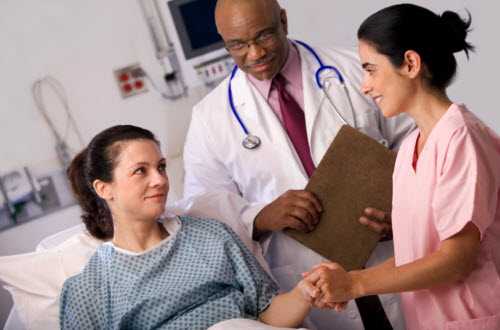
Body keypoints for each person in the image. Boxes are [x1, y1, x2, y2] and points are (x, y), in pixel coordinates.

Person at [177, 0, 414, 329]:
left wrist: (405, 208)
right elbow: (204, 215)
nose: (255, 53)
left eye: (264, 36)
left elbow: (416, 139)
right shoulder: (210, 119)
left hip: (391, 252)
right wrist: (260, 217)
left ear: (284, 21)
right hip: (302, 274)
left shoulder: (353, 69)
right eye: (238, 45)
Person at [303, 4, 500, 330]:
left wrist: (355, 284)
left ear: (410, 63)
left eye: (370, 69)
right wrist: (347, 281)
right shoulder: (410, 146)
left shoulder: (461, 137)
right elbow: (417, 253)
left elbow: (456, 260)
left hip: (475, 316)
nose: (365, 86)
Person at [59, 125, 321, 330]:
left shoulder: (211, 236)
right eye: (141, 171)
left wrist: (304, 292)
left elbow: (269, 313)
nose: (159, 180)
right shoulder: (89, 290)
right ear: (104, 188)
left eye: (161, 167)